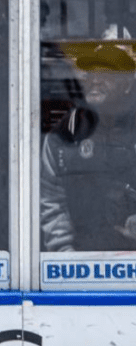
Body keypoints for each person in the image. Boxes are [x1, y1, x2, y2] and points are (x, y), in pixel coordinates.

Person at [41, 43, 136, 252]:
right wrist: (66, 257)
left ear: (127, 84)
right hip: (84, 266)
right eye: (90, 73)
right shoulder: (64, 134)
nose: (94, 80)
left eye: (105, 73)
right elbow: (52, 203)